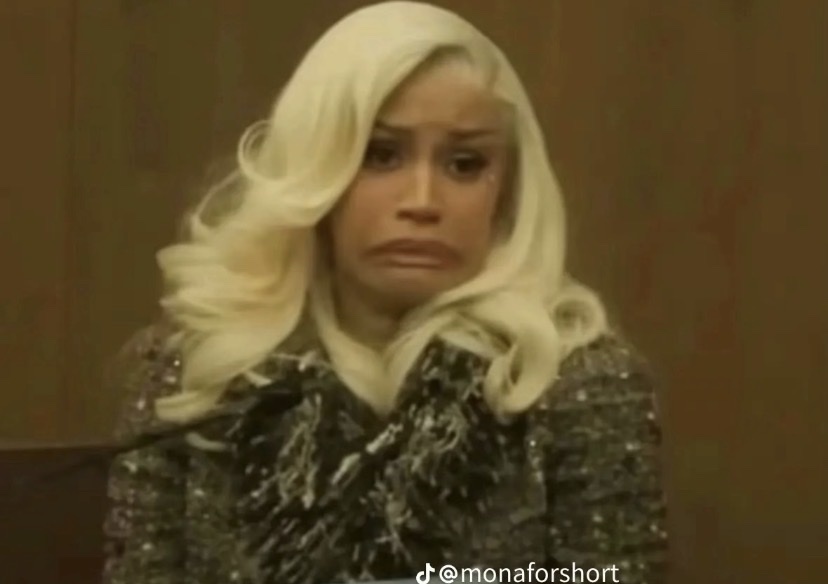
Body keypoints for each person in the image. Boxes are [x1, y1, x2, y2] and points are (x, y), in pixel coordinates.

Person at [101, 2, 668, 583]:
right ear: (315, 170)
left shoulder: (573, 382)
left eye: (464, 164)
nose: (421, 200)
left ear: (509, 192)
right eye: (380, 155)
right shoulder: (189, 375)